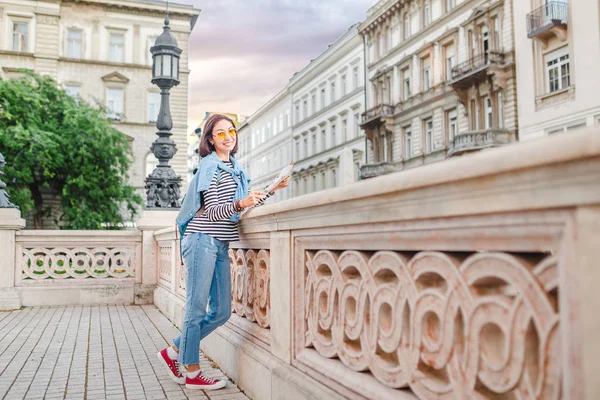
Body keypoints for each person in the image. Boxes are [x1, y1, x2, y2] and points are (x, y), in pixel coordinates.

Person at [157, 114, 289, 390]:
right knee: (195, 308)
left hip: (220, 243)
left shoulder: (235, 168)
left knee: (221, 313)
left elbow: (240, 207)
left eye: (231, 131)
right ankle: (191, 371)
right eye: (220, 133)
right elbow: (215, 210)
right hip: (202, 239)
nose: (228, 136)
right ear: (210, 140)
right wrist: (241, 202)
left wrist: (272, 189)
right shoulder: (210, 167)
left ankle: (173, 353)